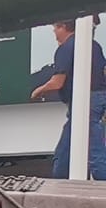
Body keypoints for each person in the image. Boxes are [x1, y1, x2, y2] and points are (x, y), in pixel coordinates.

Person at [32, 21, 106, 180]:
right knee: (74, 145)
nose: (54, 32)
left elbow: (57, 82)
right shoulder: (94, 45)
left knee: (93, 147)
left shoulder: (65, 48)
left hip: (85, 101)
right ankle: (61, 178)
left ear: (63, 27)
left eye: (55, 28)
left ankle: (100, 182)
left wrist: (38, 91)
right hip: (98, 97)